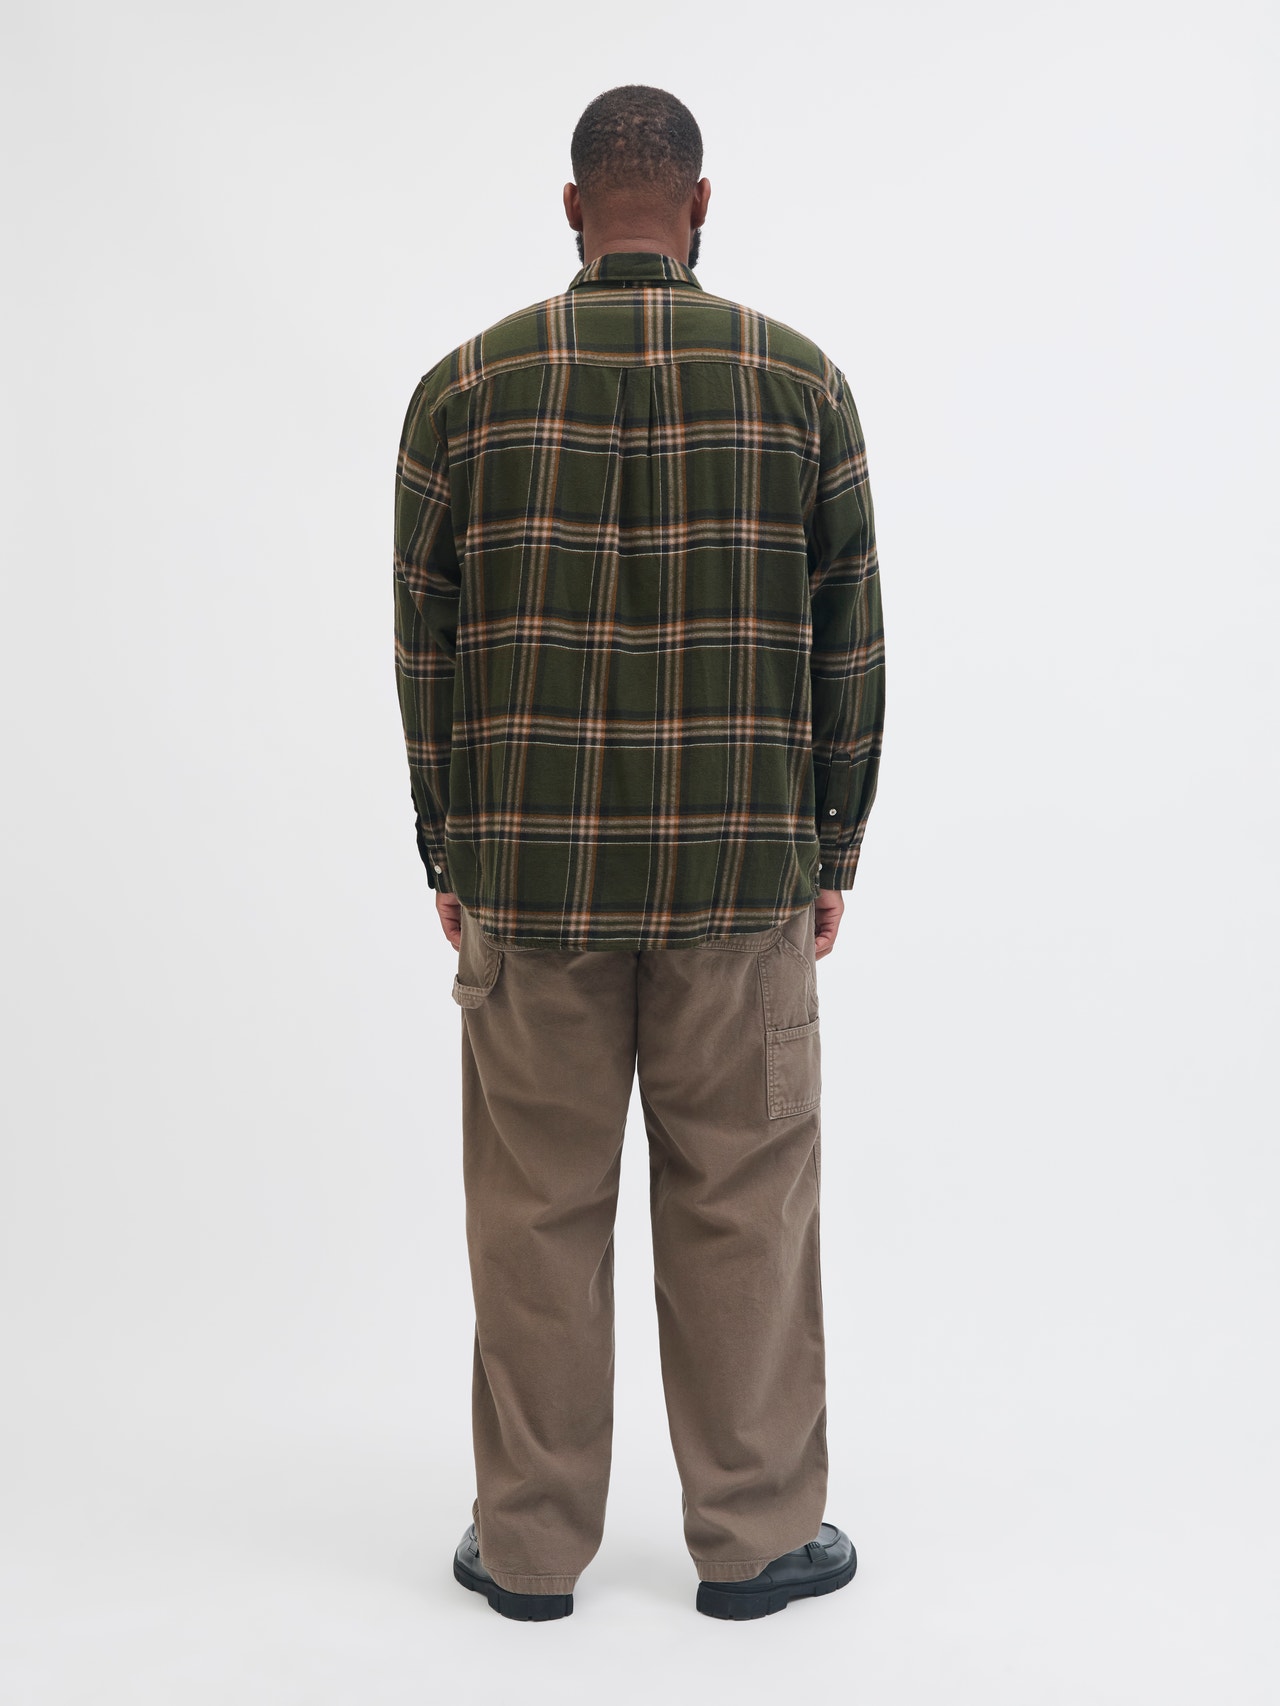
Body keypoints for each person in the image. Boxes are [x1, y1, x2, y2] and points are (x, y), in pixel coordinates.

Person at [392, 83, 885, 1622]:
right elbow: (851, 640)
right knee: (744, 1201)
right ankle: (755, 1538)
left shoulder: (462, 391)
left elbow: (425, 651)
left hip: (528, 891)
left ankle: (530, 1552)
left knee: (533, 1214)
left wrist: (447, 847)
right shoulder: (800, 384)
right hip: (741, 882)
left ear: (572, 208)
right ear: (701, 205)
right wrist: (833, 844)